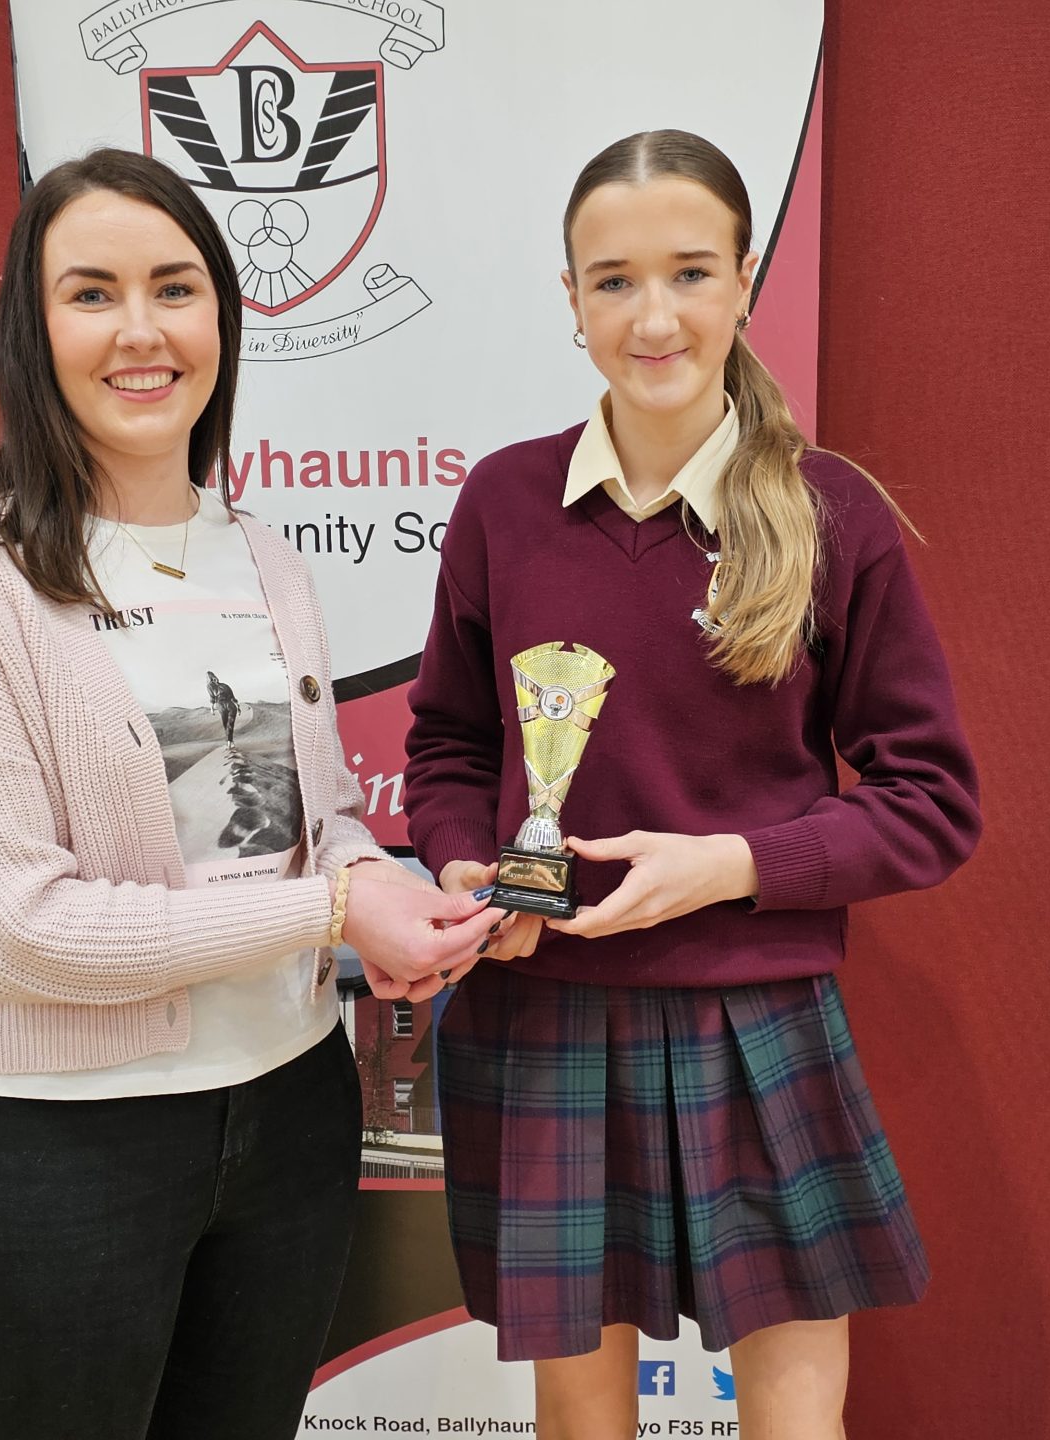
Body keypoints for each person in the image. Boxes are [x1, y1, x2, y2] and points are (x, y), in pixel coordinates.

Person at [0, 148, 494, 1440]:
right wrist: (335, 912)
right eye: (92, 294)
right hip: (65, 1151)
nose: (141, 330)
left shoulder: (261, 556)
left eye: (175, 287)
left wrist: (382, 889)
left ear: (223, 315)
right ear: (32, 330)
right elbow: (17, 928)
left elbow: (307, 825)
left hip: (292, 1117)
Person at [402, 130, 983, 1439]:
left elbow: (932, 800)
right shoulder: (503, 501)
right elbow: (450, 748)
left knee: (793, 1415)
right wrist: (467, 869)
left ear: (746, 279)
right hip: (546, 1007)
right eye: (613, 281)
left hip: (755, 1012)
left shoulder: (831, 512)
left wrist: (728, 867)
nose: (652, 317)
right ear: (569, 297)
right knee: (579, 1416)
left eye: (689, 273)